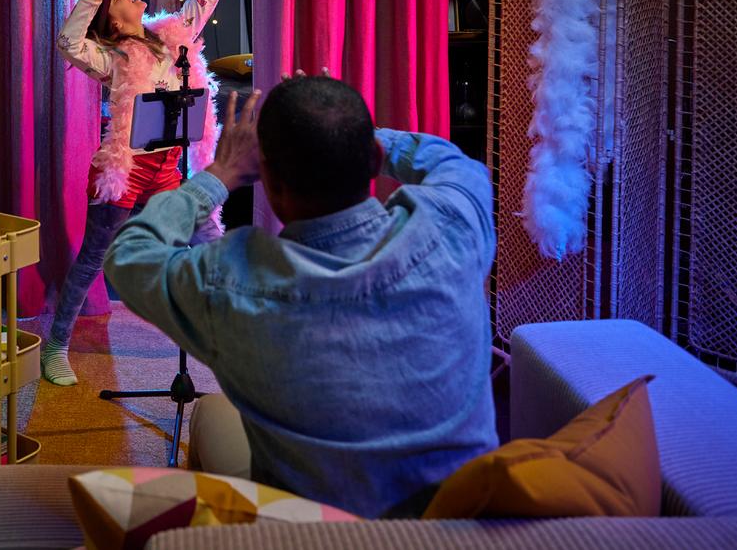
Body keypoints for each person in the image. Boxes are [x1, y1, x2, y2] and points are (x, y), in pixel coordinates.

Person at [103, 75, 498, 518]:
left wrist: (221, 173)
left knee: (211, 413)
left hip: (315, 533)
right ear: (374, 159)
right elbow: (453, 163)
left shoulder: (226, 283)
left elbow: (130, 254)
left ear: (267, 180)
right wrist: (343, 132)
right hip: (459, 525)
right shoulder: (454, 225)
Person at [44, 0, 223, 386]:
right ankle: (56, 347)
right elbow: (68, 43)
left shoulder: (175, 36)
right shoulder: (112, 59)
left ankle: (229, 332)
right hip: (125, 172)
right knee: (92, 257)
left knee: (204, 236)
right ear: (115, 23)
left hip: (169, 167)